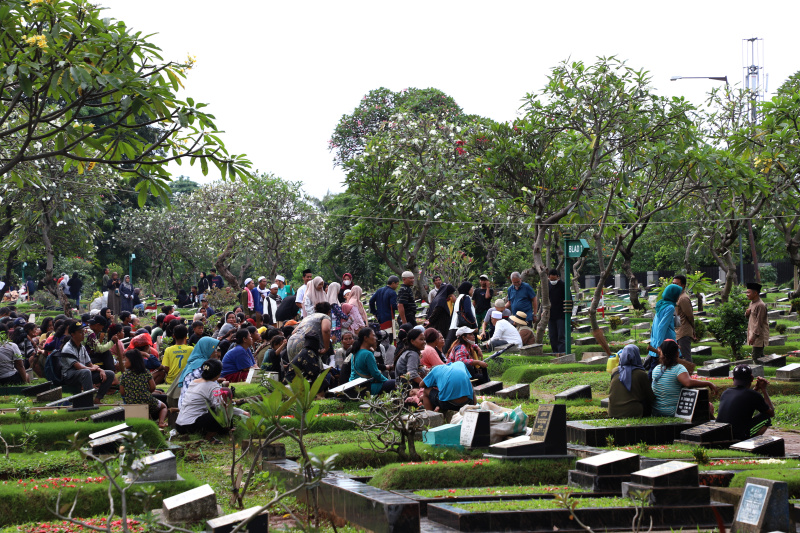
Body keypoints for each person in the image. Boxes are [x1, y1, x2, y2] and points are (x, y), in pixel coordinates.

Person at [175, 358, 249, 441]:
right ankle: (209, 437)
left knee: (213, 410)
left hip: (179, 425)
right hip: (192, 426)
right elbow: (222, 408)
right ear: (218, 374)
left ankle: (217, 432)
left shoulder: (194, 382)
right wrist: (242, 412)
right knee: (222, 413)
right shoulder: (213, 386)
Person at [651, 340, 716, 417]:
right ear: (677, 354)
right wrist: (708, 383)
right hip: (672, 411)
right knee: (709, 406)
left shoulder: (656, 369)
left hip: (656, 411)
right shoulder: (678, 368)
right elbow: (688, 383)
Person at [717, 364, 775, 440]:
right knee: (766, 418)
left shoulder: (726, 392)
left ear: (733, 379)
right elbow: (771, 413)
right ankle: (746, 442)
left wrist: (756, 389)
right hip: (737, 435)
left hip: (720, 433)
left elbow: (745, 397)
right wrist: (764, 390)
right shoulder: (753, 395)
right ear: (751, 378)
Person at [61, 322, 114, 404]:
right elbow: (78, 366)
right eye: (80, 332)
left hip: (83, 372)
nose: (83, 334)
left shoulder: (81, 347)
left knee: (109, 374)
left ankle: (97, 399)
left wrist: (100, 370)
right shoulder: (67, 348)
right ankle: (88, 401)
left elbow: (89, 363)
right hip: (70, 375)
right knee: (86, 372)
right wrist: (92, 368)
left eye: (83, 331)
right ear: (73, 334)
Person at [167, 336, 220, 408]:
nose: (216, 352)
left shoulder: (195, 362)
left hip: (184, 405)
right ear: (206, 349)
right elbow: (216, 391)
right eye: (213, 348)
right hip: (194, 407)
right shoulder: (203, 365)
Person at [119, 349, 168, 428]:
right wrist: (145, 392)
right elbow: (153, 387)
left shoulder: (124, 375)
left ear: (132, 361)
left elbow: (122, 392)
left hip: (131, 402)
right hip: (146, 399)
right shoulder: (145, 372)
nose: (124, 362)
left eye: (126, 360)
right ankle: (161, 422)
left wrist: (130, 395)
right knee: (164, 407)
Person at [607, 345, 655, 418]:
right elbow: (650, 397)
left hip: (612, 412)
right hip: (633, 412)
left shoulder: (615, 371)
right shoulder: (641, 374)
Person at [349, 327, 395, 395]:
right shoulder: (367, 354)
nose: (375, 338)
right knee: (394, 383)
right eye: (373, 335)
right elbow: (376, 374)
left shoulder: (356, 352)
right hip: (365, 387)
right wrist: (387, 381)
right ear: (366, 338)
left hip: (355, 386)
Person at [645, 284, 683, 367]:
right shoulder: (670, 307)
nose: (679, 297)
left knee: (655, 369)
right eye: (678, 295)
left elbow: (656, 325)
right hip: (666, 344)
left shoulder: (661, 304)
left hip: (658, 341)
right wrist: (659, 346)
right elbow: (662, 327)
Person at [445, 282, 477, 352]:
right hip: (463, 326)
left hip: (455, 325)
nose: (473, 290)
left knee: (451, 347)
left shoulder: (459, 298)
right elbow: (468, 311)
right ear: (468, 289)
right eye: (472, 288)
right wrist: (474, 325)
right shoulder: (466, 297)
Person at [670, 274, 695, 361]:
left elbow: (689, 315)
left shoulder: (683, 298)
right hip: (678, 331)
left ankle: (689, 374)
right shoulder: (677, 297)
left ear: (683, 285)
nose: (674, 286)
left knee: (686, 357)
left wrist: (693, 328)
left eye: (676, 284)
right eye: (673, 283)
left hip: (684, 332)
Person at [745, 282, 769, 363]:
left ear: (755, 293)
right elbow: (751, 318)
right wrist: (747, 314)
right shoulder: (752, 303)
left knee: (756, 357)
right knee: (759, 357)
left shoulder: (760, 305)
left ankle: (758, 374)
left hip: (759, 336)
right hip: (754, 334)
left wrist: (753, 336)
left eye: (748, 292)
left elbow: (759, 322)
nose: (747, 294)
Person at [547, 269, 568, 354]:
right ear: (548, 277)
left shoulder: (563, 285)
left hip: (561, 315)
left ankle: (562, 353)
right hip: (551, 316)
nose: (552, 281)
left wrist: (567, 315)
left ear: (558, 277)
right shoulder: (547, 286)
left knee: (561, 336)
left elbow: (568, 300)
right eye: (551, 280)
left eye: (554, 279)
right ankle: (555, 352)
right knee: (552, 336)